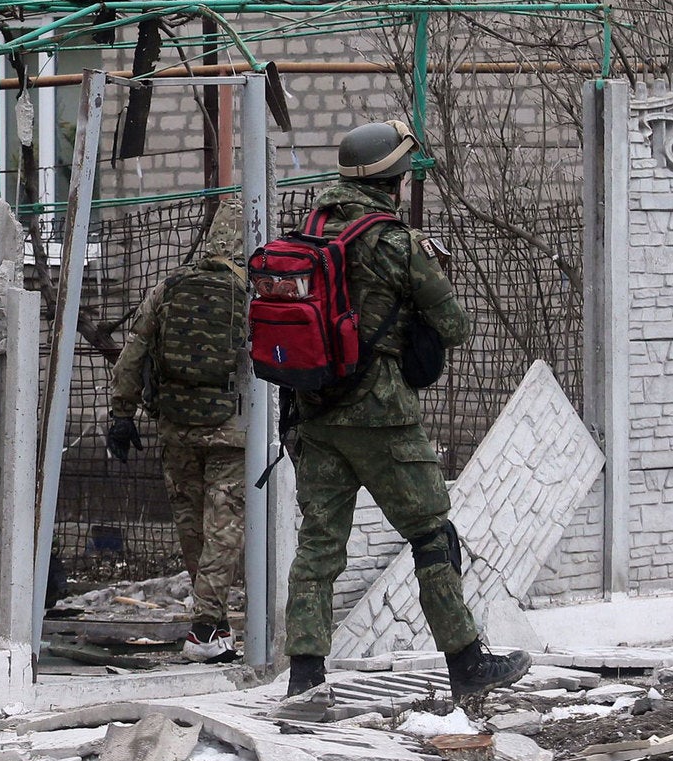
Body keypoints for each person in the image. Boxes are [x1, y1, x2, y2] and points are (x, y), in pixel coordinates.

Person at [281, 121, 530, 702]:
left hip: (315, 411)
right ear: (394, 178)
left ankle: (304, 678)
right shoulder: (395, 243)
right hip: (383, 418)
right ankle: (467, 664)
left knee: (318, 546)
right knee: (432, 536)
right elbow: (455, 327)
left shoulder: (310, 231)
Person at [106, 196, 249, 662]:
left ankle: (214, 624)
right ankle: (207, 628)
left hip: (174, 424)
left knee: (191, 525)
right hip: (229, 425)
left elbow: (134, 352)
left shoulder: (168, 287)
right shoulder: (252, 293)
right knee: (223, 528)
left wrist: (121, 413)